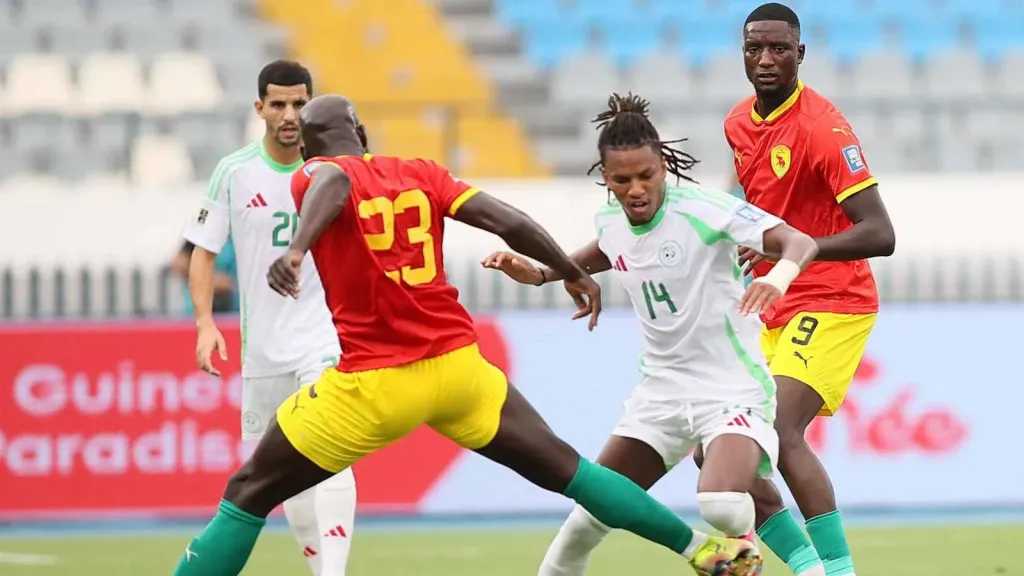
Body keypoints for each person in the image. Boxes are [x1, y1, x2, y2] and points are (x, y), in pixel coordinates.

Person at [171, 94, 764, 576]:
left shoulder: (316, 175)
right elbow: (508, 221)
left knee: (249, 490)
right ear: (364, 131)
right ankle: (703, 551)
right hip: (460, 371)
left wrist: (298, 248)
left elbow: (334, 185)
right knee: (573, 471)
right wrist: (574, 269)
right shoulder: (421, 173)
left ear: (310, 145)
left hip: (376, 384)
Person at [482, 93, 817, 576]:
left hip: (731, 389)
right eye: (622, 180)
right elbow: (597, 254)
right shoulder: (611, 222)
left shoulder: (704, 210)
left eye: (647, 176)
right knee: (586, 520)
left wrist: (775, 277)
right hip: (660, 395)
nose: (636, 189)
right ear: (605, 177)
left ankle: (744, 551)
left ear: (663, 167)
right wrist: (538, 272)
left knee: (721, 502)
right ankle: (765, 559)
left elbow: (798, 241)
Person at [722, 4, 896, 576]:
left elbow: (880, 233)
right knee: (719, 446)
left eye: (778, 49)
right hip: (770, 297)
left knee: (775, 428)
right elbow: (747, 212)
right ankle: (807, 567)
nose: (766, 59)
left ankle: (840, 571)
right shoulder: (738, 123)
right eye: (755, 49)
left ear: (801, 53)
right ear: (742, 53)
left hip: (834, 298)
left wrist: (794, 248)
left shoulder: (824, 129)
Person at [181, 61, 356, 575]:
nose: (289, 115)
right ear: (259, 107)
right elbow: (202, 251)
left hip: (324, 338)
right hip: (263, 352)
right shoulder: (234, 172)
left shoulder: (334, 170)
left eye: (300, 104)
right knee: (276, 475)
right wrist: (205, 323)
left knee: (332, 450)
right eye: (278, 104)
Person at [169, 240, 238, 314]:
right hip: (196, 311)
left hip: (232, 311)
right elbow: (178, 263)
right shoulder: (200, 237)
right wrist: (203, 277)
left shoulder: (237, 242)